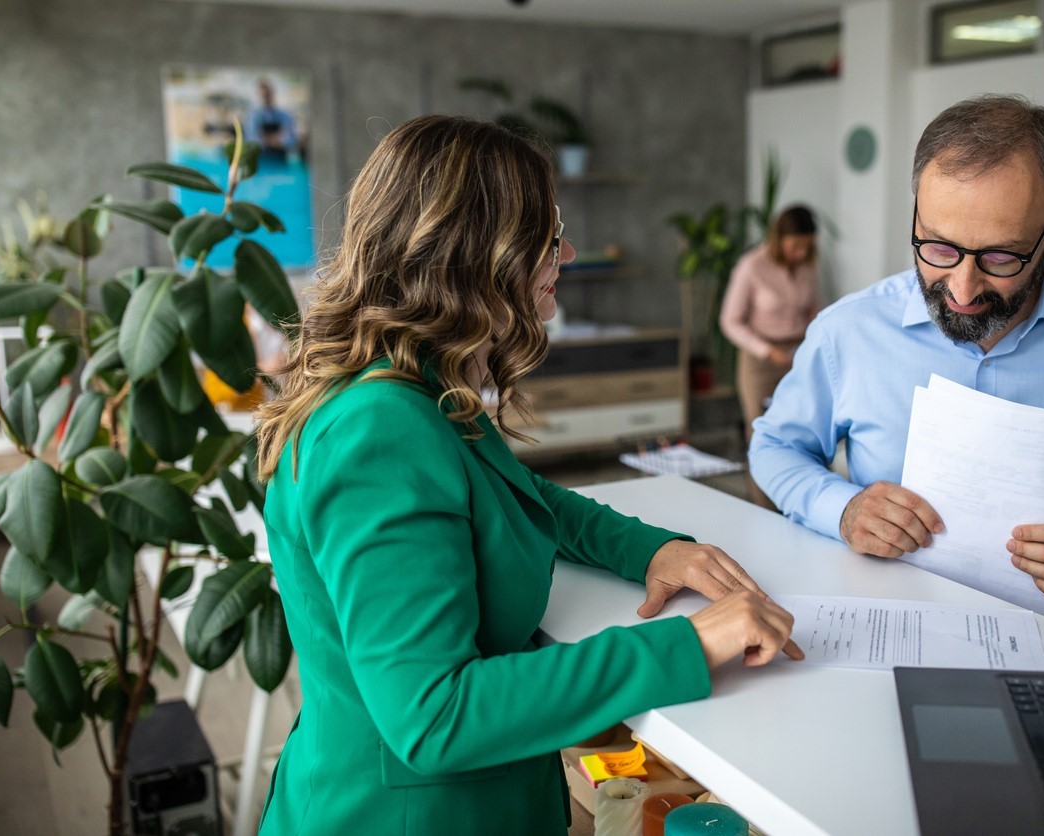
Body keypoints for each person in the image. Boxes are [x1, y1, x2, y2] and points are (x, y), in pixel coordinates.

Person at [253, 115, 801, 835]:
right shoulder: (379, 430)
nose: (566, 253)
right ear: (475, 253)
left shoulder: (415, 381)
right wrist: (692, 644)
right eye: (548, 236)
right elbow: (435, 715)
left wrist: (653, 550)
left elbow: (516, 493)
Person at [749, 94, 1044, 642]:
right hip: (881, 641)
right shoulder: (847, 332)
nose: (963, 289)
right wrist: (843, 509)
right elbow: (774, 446)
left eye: (1000, 256)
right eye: (938, 247)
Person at [719, 205, 821, 509]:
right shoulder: (751, 266)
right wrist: (767, 350)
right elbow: (729, 321)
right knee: (761, 433)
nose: (801, 253)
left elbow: (814, 309)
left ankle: (800, 505)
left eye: (807, 246)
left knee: (803, 428)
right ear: (779, 239)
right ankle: (764, 507)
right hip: (760, 360)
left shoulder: (808, 266)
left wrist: (813, 340)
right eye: (796, 245)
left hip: (798, 355)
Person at [246, 78, 298, 162]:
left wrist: (269, 139)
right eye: (263, 95)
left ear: (273, 93)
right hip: (262, 160)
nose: (266, 97)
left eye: (268, 94)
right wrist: (274, 139)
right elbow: (251, 139)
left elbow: (291, 139)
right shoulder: (253, 116)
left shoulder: (284, 115)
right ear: (259, 95)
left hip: (280, 160)